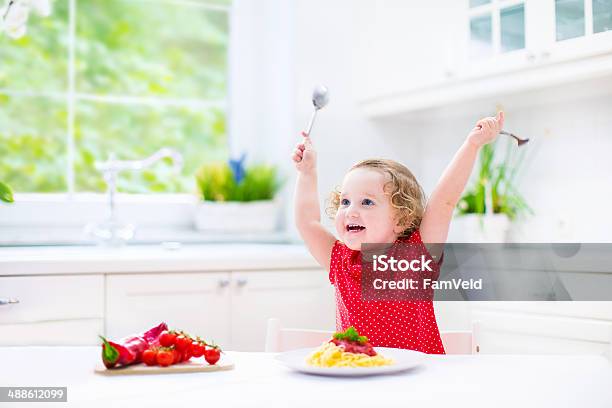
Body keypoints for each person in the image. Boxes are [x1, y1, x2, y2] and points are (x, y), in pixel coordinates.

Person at [291, 111, 504, 354]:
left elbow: (444, 201)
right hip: (359, 379)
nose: (350, 211)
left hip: (420, 381)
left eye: (367, 203)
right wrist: (307, 172)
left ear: (401, 220)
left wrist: (472, 144)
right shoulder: (340, 259)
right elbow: (307, 222)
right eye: (345, 201)